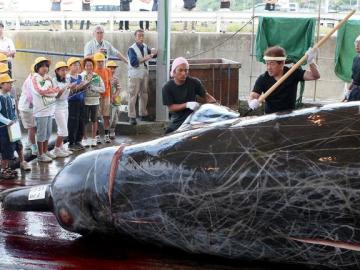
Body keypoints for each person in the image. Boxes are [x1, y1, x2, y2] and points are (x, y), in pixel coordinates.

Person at [247, 46, 320, 114]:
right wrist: (251, 102)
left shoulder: (292, 73)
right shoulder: (263, 78)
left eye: (272, 64)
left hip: (289, 116)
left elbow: (315, 76)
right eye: (267, 64)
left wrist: (311, 62)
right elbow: (254, 95)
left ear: (282, 63)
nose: (269, 67)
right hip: (269, 117)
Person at [162, 57, 216, 134]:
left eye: (186, 70)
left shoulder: (194, 82)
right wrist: (187, 104)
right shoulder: (167, 87)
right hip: (178, 119)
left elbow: (206, 96)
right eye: (180, 70)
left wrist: (215, 105)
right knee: (169, 135)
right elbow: (171, 108)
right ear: (174, 72)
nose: (184, 73)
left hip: (194, 116)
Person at [0, 73, 31, 178]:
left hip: (13, 125)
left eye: (11, 83)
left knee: (18, 144)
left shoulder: (10, 96)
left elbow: (13, 110)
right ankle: (4, 169)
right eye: (8, 83)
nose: (10, 85)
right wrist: (7, 121)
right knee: (6, 148)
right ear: (1, 85)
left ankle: (23, 162)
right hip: (4, 128)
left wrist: (16, 119)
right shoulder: (0, 98)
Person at [31, 57, 60, 163]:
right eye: (42, 66)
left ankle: (45, 150)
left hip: (48, 109)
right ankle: (40, 154)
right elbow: (41, 91)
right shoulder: (35, 78)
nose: (45, 68)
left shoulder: (46, 78)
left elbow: (56, 91)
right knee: (41, 133)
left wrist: (49, 87)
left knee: (47, 133)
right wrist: (48, 85)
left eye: (46, 66)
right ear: (37, 68)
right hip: (41, 110)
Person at [127, 29, 157, 125]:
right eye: (139, 36)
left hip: (144, 73)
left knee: (144, 94)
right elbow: (134, 62)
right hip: (135, 75)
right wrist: (147, 57)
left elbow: (153, 54)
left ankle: (143, 114)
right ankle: (132, 116)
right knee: (133, 95)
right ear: (135, 37)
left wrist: (153, 51)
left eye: (142, 36)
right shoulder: (131, 49)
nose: (141, 37)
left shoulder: (144, 46)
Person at [81, 56, 105, 147]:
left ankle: (94, 138)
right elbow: (80, 87)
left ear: (93, 66)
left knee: (94, 120)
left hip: (95, 102)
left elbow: (103, 89)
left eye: (90, 65)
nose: (89, 67)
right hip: (85, 101)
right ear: (84, 66)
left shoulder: (97, 76)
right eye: (87, 65)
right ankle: (84, 138)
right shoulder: (82, 76)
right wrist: (88, 81)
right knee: (85, 121)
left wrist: (93, 88)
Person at [52, 61, 72, 157]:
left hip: (65, 105)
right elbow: (57, 96)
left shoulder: (66, 80)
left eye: (65, 70)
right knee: (63, 130)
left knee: (63, 128)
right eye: (62, 70)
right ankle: (56, 149)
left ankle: (61, 147)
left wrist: (73, 87)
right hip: (57, 107)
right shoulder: (53, 81)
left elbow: (68, 94)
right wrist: (65, 87)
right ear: (57, 71)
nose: (64, 72)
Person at [66, 57, 87, 151]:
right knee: (73, 122)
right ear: (69, 67)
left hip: (81, 101)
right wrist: (78, 87)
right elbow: (68, 92)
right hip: (72, 102)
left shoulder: (80, 76)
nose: (77, 67)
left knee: (81, 121)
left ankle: (78, 140)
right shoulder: (67, 78)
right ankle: (71, 142)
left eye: (78, 65)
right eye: (74, 65)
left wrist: (85, 85)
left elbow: (82, 89)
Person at [18, 64, 38, 156]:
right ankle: (33, 147)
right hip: (27, 107)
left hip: (28, 106)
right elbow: (30, 97)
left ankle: (28, 143)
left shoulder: (32, 78)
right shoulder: (31, 80)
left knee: (33, 127)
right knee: (32, 127)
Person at [94, 52, 111, 143]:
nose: (100, 63)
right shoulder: (93, 71)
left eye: (101, 61)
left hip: (107, 96)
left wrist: (111, 96)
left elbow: (109, 84)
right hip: (97, 97)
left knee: (106, 116)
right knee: (96, 116)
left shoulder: (108, 71)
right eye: (98, 61)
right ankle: (96, 136)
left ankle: (106, 135)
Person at [106, 60, 121, 139]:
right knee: (107, 117)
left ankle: (112, 130)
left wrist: (115, 96)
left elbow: (119, 89)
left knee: (115, 116)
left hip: (115, 100)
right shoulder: (104, 78)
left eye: (114, 68)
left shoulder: (115, 79)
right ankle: (107, 131)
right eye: (110, 68)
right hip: (106, 100)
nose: (112, 70)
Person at [346, 35, 360, 101]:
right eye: (356, 43)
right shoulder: (356, 58)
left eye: (359, 43)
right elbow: (354, 79)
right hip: (354, 91)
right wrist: (348, 91)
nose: (357, 45)